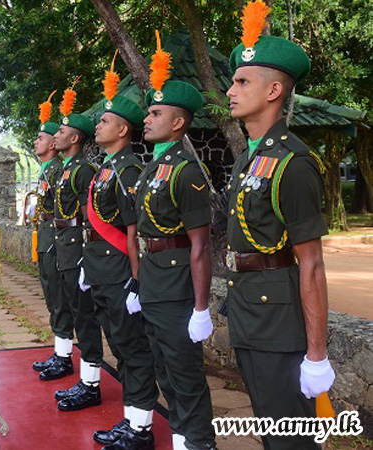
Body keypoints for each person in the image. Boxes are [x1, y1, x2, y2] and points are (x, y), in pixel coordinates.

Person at [224, 2, 334, 448]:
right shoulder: (250, 159)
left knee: (290, 437)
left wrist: (317, 354)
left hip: (279, 321)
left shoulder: (294, 161)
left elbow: (311, 264)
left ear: (273, 91)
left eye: (241, 81)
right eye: (233, 79)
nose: (230, 89)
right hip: (248, 311)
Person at [134, 31, 216, 450]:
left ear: (178, 122)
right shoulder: (152, 169)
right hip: (153, 281)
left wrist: (201, 307)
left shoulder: (186, 170)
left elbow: (201, 244)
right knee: (166, 373)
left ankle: (199, 443)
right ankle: (184, 441)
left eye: (155, 113)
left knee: (185, 377)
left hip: (178, 285)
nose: (146, 119)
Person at [84, 56, 158, 450]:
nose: (98, 125)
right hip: (100, 267)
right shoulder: (107, 167)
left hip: (118, 268)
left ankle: (141, 427)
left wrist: (136, 278)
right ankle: (132, 419)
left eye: (104, 121)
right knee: (119, 344)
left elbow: (133, 231)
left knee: (132, 346)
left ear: (123, 129)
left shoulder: (128, 169)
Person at [51, 81, 107, 411]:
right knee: (74, 311)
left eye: (61, 132)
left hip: (77, 247)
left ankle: (91, 383)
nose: (56, 136)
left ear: (75, 138)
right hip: (64, 246)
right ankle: (85, 377)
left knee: (85, 318)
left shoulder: (84, 169)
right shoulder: (67, 168)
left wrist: (88, 255)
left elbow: (91, 218)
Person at [30, 91, 75, 381]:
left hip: (57, 238)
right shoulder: (46, 169)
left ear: (52, 145)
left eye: (41, 138)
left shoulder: (58, 170)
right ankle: (60, 350)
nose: (37, 142)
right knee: (50, 294)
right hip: (45, 235)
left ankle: (64, 356)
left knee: (59, 297)